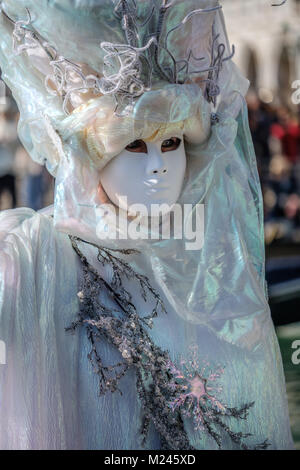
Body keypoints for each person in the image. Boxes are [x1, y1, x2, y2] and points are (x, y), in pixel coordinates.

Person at [0, 0, 294, 450]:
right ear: (90, 158)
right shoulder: (34, 253)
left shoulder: (207, 254)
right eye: (135, 145)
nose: (158, 167)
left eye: (172, 142)